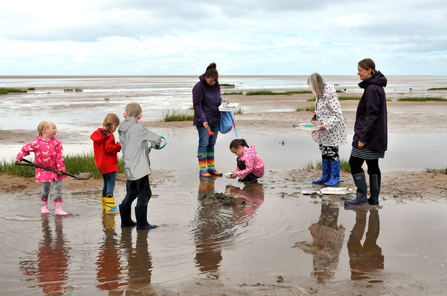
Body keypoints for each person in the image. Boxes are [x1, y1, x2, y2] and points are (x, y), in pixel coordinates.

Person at [345, 58, 387, 206]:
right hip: (375, 135)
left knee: (354, 162)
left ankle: (362, 197)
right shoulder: (375, 87)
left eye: (360, 70)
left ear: (369, 70)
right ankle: (374, 199)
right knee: (372, 164)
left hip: (369, 136)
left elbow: (371, 115)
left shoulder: (372, 89)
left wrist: (362, 137)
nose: (358, 73)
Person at [118, 102, 162, 230]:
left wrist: (144, 148)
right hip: (140, 168)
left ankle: (126, 222)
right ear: (140, 116)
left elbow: (131, 145)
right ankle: (142, 224)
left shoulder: (122, 128)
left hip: (129, 168)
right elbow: (157, 139)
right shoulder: (139, 128)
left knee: (131, 193)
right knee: (145, 194)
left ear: (124, 114)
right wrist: (156, 146)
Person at [14, 121, 69, 215]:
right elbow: (25, 149)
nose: (55, 130)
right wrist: (19, 157)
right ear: (45, 130)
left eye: (55, 128)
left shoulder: (57, 143)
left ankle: (58, 209)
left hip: (56, 170)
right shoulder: (36, 143)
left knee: (58, 188)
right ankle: (44, 206)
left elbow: (59, 157)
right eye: (53, 128)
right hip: (43, 170)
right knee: (45, 188)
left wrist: (61, 169)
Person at [308, 73, 348, 186]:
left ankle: (335, 177)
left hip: (332, 130)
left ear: (316, 83)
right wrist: (315, 113)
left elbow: (337, 114)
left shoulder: (329, 92)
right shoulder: (319, 93)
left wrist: (326, 125)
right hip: (322, 130)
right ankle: (325, 176)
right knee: (324, 152)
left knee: (332, 153)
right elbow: (323, 108)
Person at [192, 62, 223, 178]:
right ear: (206, 77)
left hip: (215, 119)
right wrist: (203, 120)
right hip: (203, 121)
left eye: (215, 81)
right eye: (211, 81)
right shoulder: (198, 87)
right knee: (203, 143)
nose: (213, 83)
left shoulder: (216, 85)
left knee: (212, 143)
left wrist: (224, 103)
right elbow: (197, 105)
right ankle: (202, 169)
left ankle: (211, 168)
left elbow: (218, 99)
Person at [91, 113, 122, 214]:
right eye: (116, 126)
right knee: (111, 184)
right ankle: (110, 207)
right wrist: (118, 146)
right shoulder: (109, 136)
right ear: (112, 125)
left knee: (106, 183)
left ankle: (105, 205)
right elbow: (109, 149)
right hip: (109, 165)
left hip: (101, 164)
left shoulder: (98, 134)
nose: (116, 129)